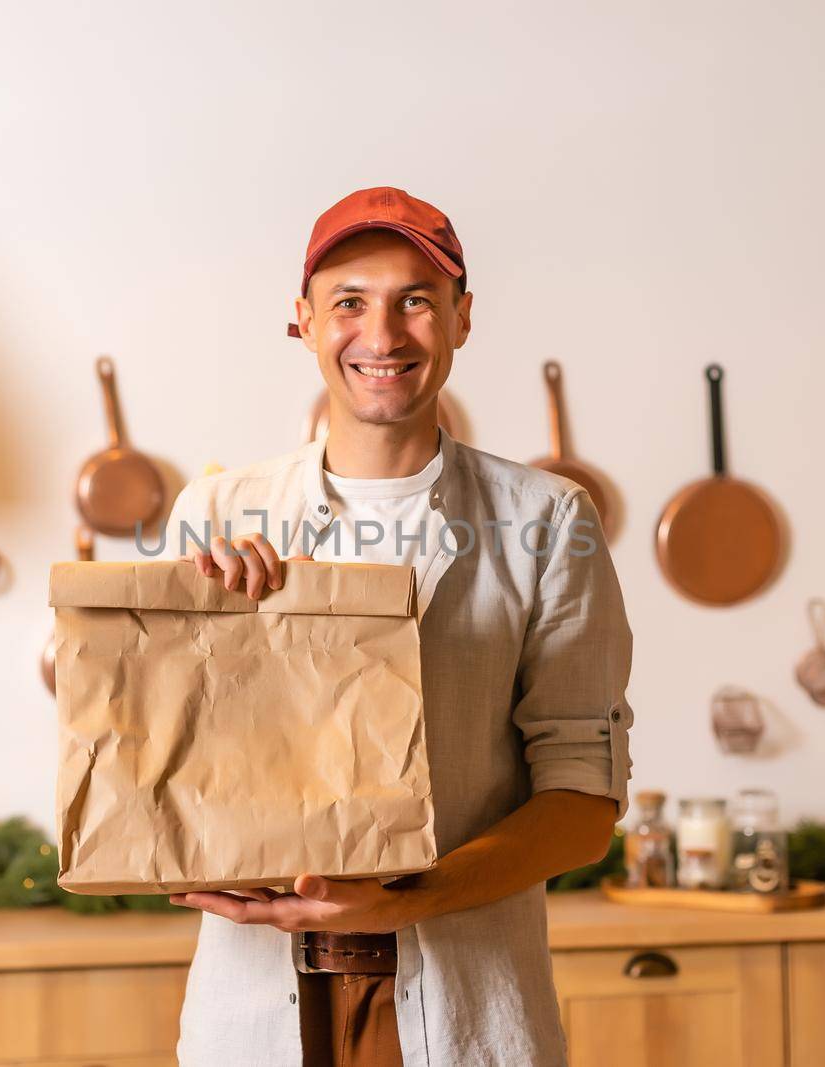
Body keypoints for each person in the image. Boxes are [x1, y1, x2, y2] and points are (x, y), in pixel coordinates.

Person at [162, 187, 634, 1067]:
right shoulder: (217, 513)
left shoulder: (547, 520)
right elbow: (158, 778)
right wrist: (212, 640)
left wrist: (402, 898)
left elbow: (582, 807)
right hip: (254, 1014)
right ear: (303, 321)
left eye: (415, 299)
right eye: (349, 302)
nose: (382, 337)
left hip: (464, 1006)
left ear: (460, 317)